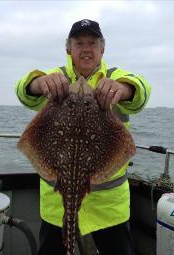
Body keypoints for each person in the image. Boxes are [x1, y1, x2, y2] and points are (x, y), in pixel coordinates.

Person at [15, 19, 151, 255]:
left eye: (93, 43)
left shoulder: (115, 76)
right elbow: (24, 92)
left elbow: (141, 92)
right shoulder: (54, 78)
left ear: (102, 49)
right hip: (57, 205)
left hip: (109, 208)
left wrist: (124, 88)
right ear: (68, 49)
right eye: (79, 43)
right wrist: (37, 84)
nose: (86, 49)